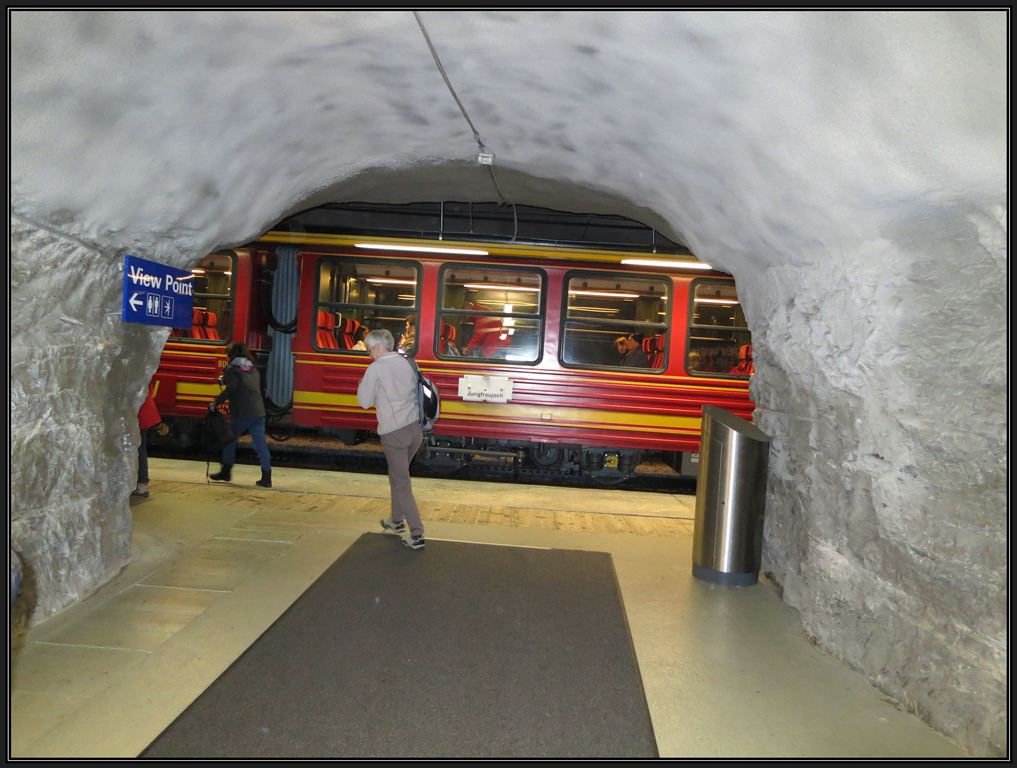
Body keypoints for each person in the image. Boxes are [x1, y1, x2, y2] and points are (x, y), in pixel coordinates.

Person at [357, 329, 426, 550]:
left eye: (369, 349)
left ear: (378, 347)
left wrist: (363, 383)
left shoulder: (376, 368)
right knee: (397, 475)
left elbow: (364, 402)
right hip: (415, 429)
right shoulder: (407, 362)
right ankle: (396, 521)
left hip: (394, 433)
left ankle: (417, 533)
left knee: (401, 482)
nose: (369, 354)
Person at [208, 342, 272, 488]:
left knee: (229, 439)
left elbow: (231, 389)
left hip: (243, 412)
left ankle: (226, 471)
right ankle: (266, 477)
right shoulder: (252, 368)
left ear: (231, 355)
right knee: (260, 444)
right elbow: (246, 384)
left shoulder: (232, 369)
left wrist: (215, 402)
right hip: (258, 411)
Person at [133, 386, 161, 498]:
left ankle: (142, 485)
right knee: (140, 448)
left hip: (140, 413)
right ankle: (141, 484)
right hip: (144, 410)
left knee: (139, 449)